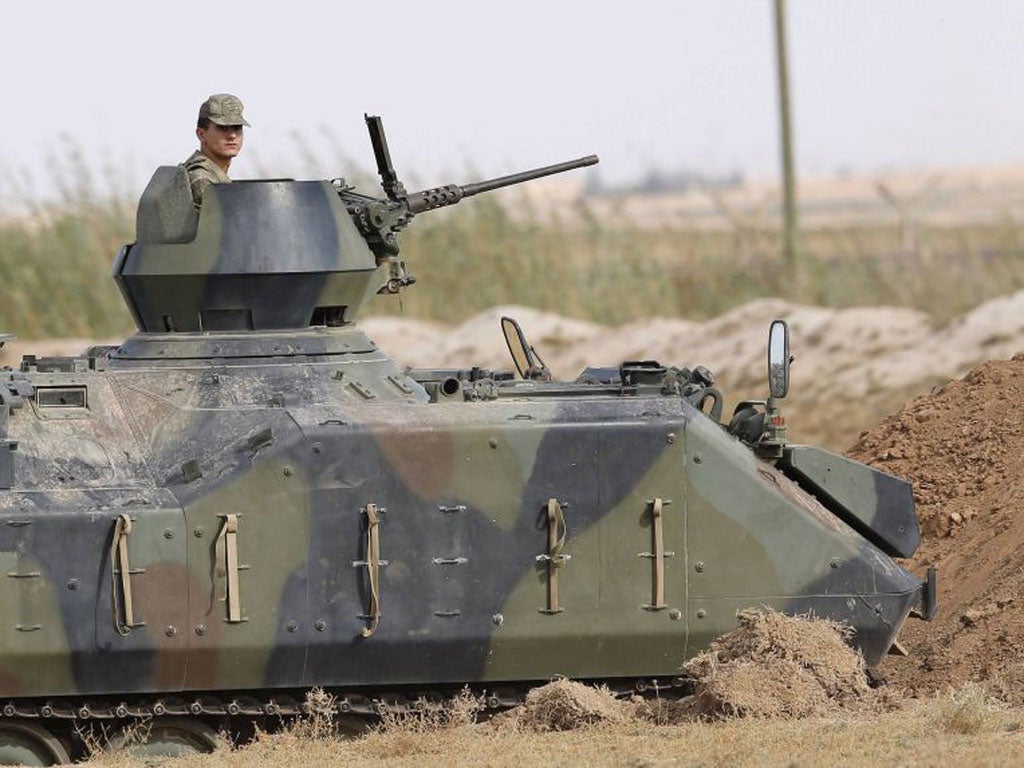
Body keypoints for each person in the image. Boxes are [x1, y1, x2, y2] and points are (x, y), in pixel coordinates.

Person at [182, 93, 250, 207]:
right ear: (201, 134)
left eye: (237, 128)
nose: (232, 135)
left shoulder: (215, 176)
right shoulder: (202, 179)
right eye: (223, 128)